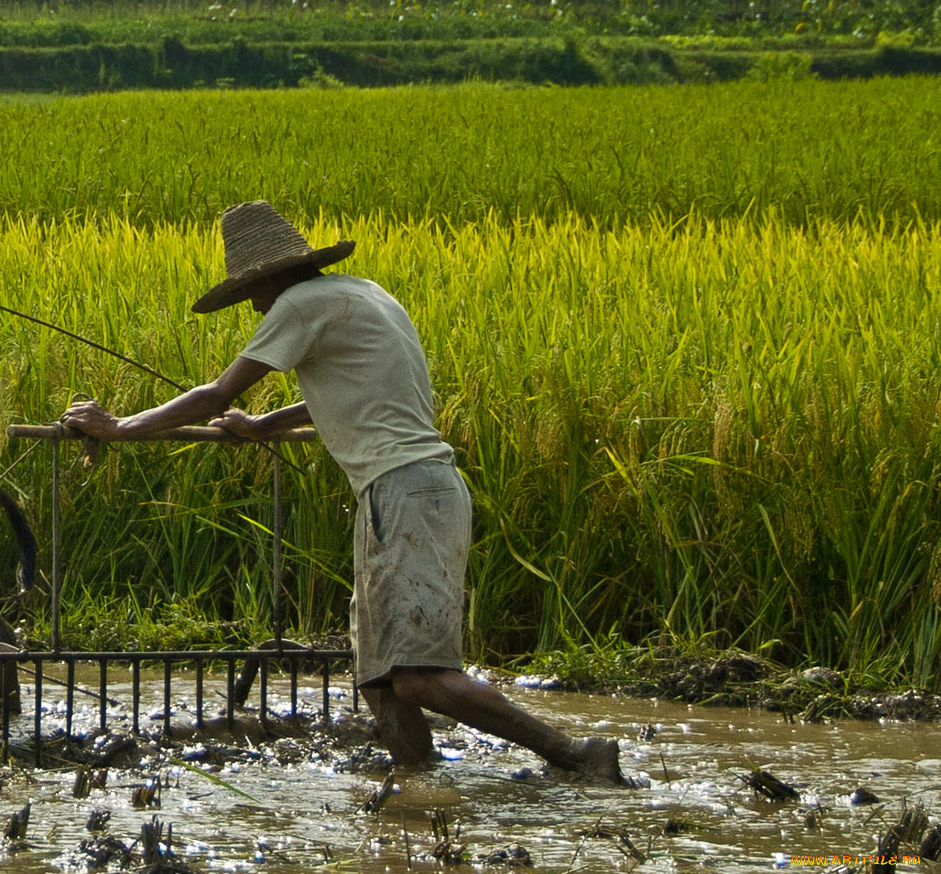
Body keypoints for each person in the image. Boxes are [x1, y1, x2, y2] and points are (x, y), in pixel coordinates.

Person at [59, 200, 625, 784]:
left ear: (272, 276)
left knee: (416, 674)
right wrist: (261, 428)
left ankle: (575, 754)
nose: (254, 304)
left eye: (253, 291)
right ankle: (416, 788)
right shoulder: (363, 294)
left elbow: (215, 396)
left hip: (406, 493)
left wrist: (118, 427)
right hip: (407, 494)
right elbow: (342, 392)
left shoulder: (300, 304)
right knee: (379, 676)